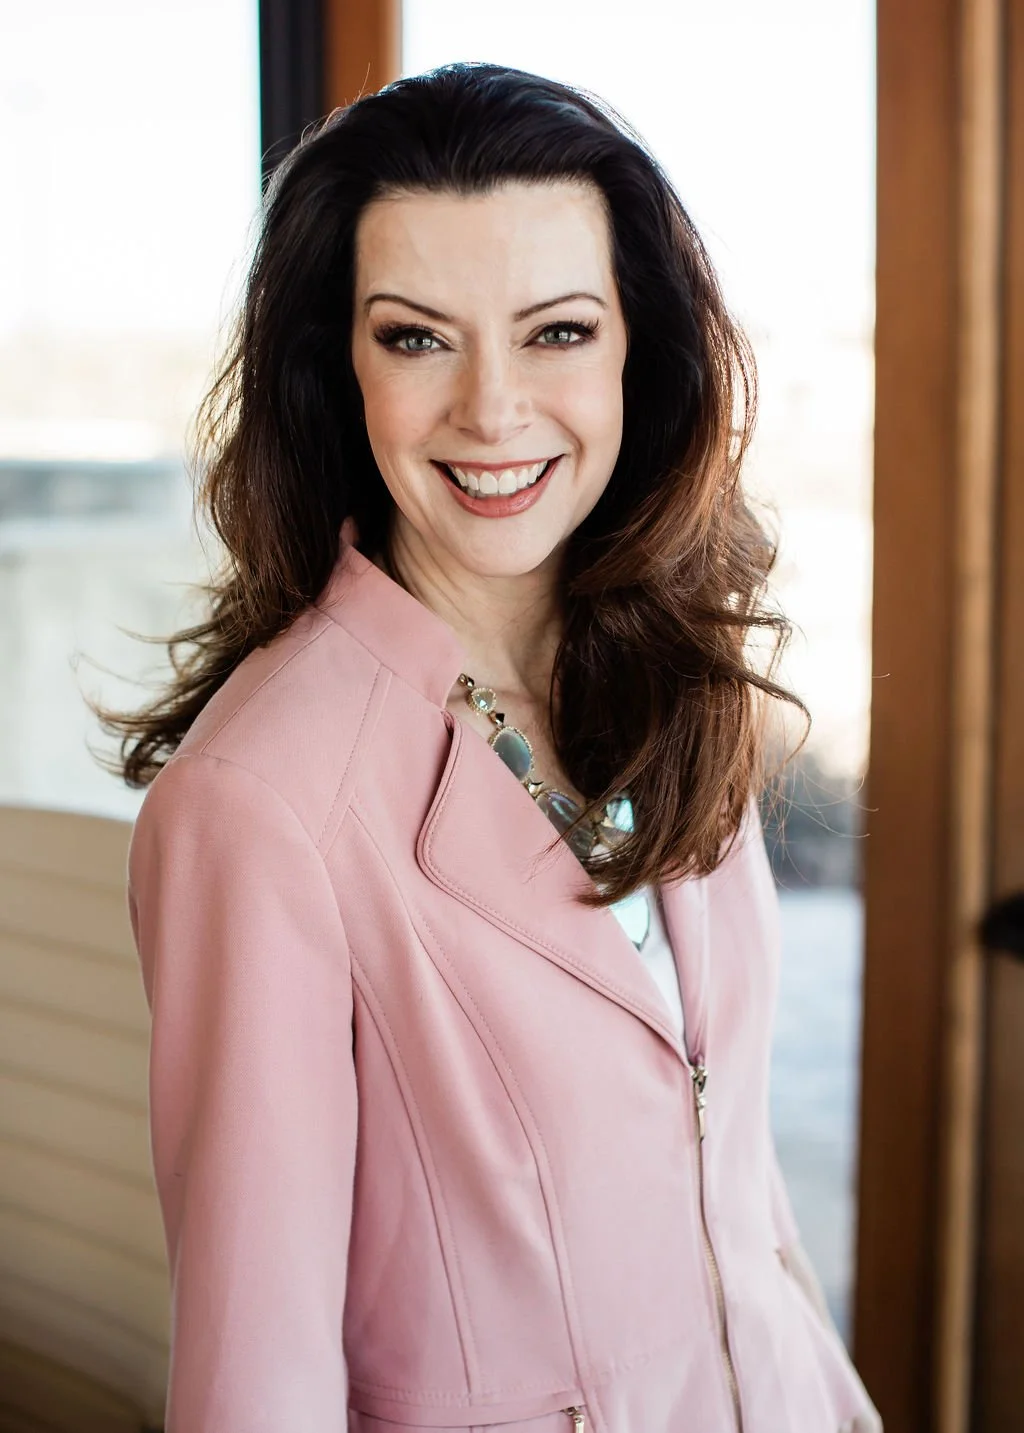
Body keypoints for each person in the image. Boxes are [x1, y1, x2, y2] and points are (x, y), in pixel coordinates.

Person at [107, 61, 881, 1433]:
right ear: (337, 368)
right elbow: (254, 1387)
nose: (493, 408)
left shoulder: (671, 673)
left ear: (639, 347)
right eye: (416, 338)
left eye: (557, 332)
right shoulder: (258, 805)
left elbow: (738, 1194)